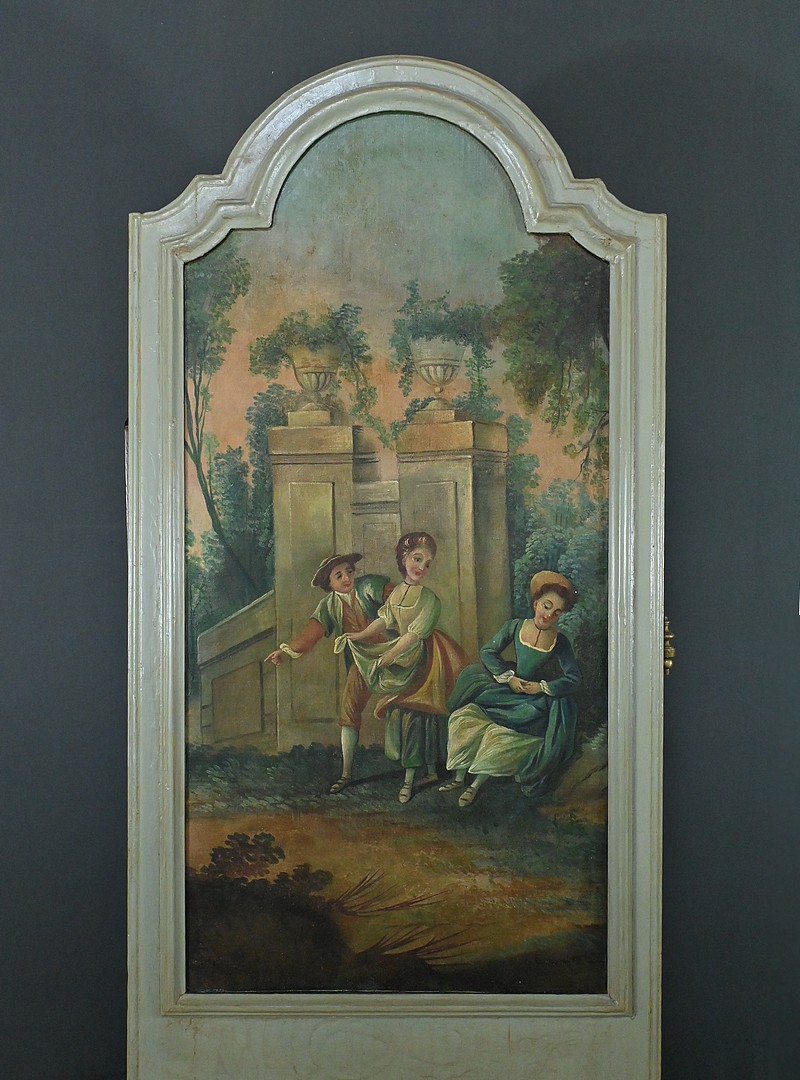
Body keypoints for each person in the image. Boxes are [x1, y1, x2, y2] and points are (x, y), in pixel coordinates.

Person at [342, 532, 468, 803]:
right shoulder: (398, 592)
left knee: (417, 719)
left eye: (427, 563)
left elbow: (413, 636)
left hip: (424, 663)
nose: (422, 567)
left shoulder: (430, 600)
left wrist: (387, 657)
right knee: (404, 717)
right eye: (417, 559)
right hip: (402, 660)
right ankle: (430, 771)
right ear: (403, 558)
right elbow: (384, 620)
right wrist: (360, 635)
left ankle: (409, 782)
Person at [440, 570, 580, 808]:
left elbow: (574, 678)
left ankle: (475, 786)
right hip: (506, 691)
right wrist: (509, 678)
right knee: (464, 718)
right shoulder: (515, 627)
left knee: (498, 736)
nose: (549, 615)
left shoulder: (560, 642)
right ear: (536, 604)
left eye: (557, 612)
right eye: (547, 606)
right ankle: (458, 778)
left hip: (532, 703)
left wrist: (541, 687)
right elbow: (488, 651)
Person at [265, 553, 393, 794]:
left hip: (393, 651)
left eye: (349, 571)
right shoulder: (328, 606)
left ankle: (423, 767)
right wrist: (286, 651)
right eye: (339, 575)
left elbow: (399, 597)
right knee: (349, 711)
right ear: (329, 584)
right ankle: (346, 773)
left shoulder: (369, 585)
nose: (346, 578)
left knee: (412, 698)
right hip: (361, 662)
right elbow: (310, 635)